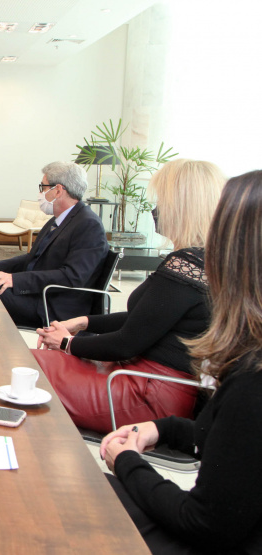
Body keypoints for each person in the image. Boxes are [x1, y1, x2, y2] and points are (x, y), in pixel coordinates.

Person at [101, 169, 262, 554]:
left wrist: (126, 462)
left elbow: (203, 524)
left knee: (83, 499)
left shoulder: (251, 381)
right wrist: (167, 430)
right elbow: (238, 451)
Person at [34, 159, 225, 433]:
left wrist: (66, 343)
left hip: (145, 393)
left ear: (182, 206)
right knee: (29, 365)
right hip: (142, 379)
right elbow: (145, 319)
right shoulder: (204, 261)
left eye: (161, 201)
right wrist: (83, 323)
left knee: (27, 372)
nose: (155, 210)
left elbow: (125, 344)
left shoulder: (186, 266)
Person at [0, 162, 108, 328]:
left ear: (57, 190)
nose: (40, 193)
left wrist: (15, 280)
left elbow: (71, 277)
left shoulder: (88, 225)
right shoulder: (57, 220)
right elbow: (32, 258)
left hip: (54, 306)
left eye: (43, 187)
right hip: (38, 294)